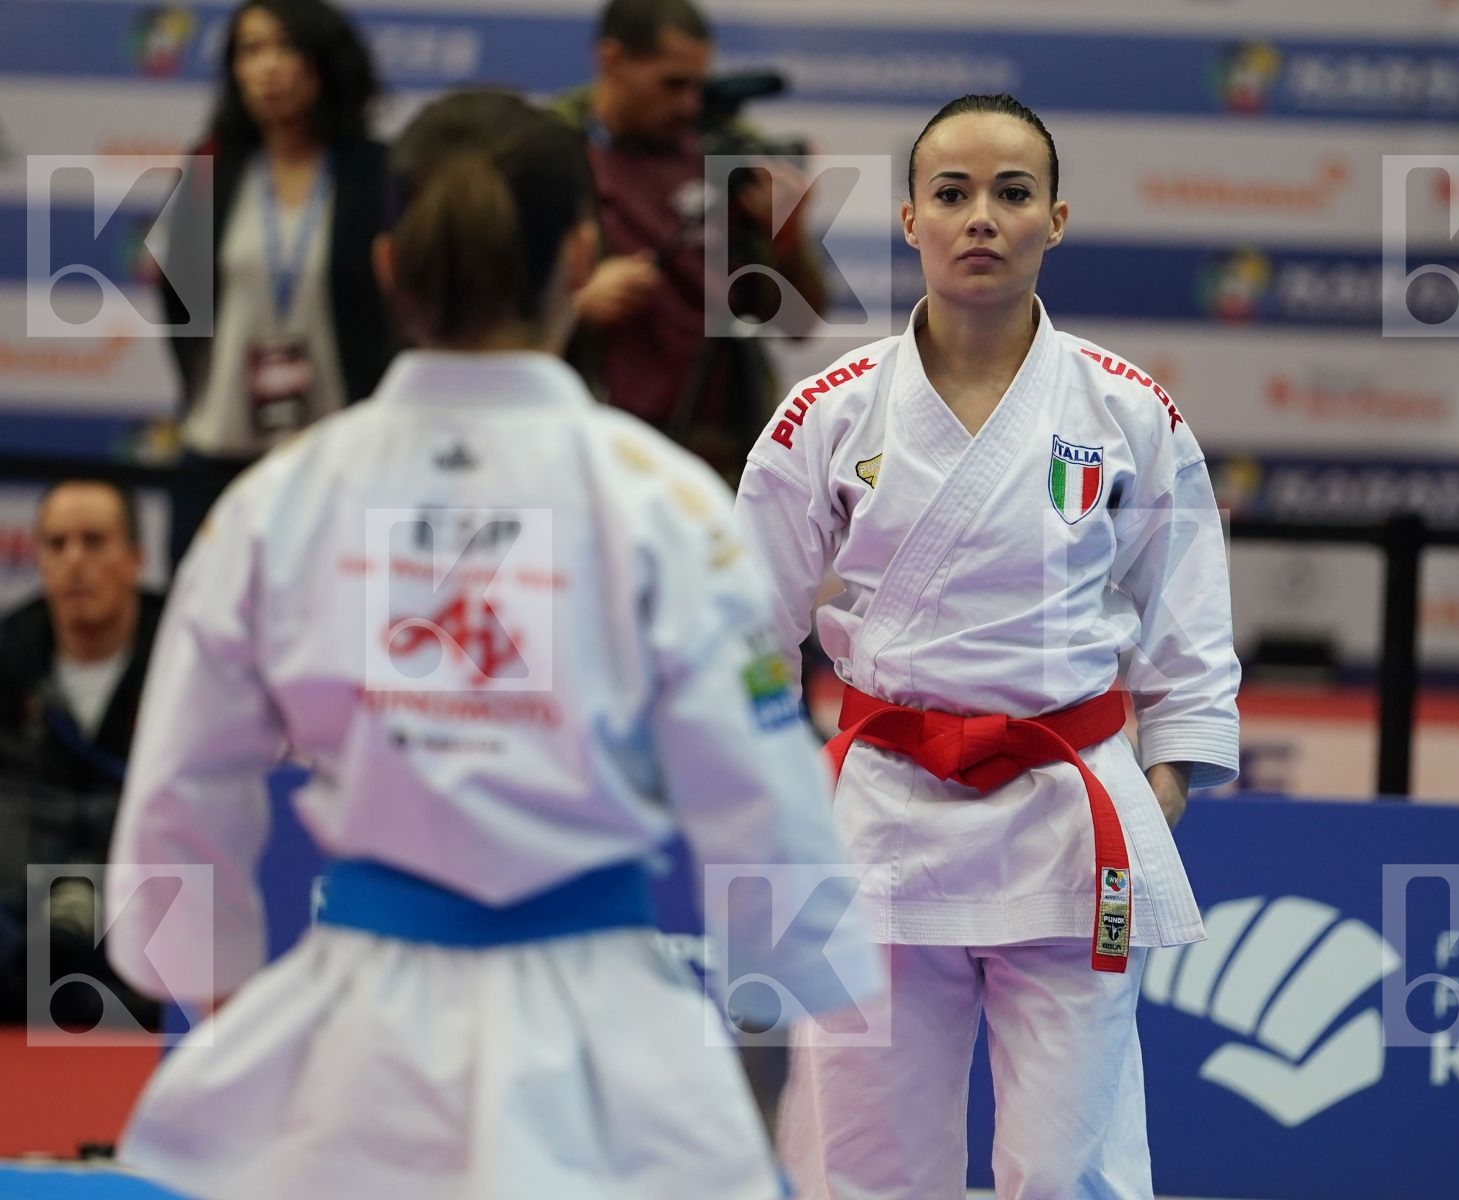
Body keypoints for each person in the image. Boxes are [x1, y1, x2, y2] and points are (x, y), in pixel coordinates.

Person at [106, 88, 880, 1200]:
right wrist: (780, 1021)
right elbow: (762, 805)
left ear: (386, 267)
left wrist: (220, 996)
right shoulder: (663, 502)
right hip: (608, 1038)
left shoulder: (280, 501)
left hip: (354, 1043)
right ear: (579, 258)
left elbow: (179, 790)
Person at [735, 94, 1242, 1199]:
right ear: (908, 218)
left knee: (1067, 1167)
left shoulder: (1126, 410)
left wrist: (1164, 777)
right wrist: (771, 785)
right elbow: (745, 628)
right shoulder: (827, 409)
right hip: (880, 814)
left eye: (1011, 193)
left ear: (1053, 220)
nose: (980, 217)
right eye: (951, 193)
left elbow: (1186, 618)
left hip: (1063, 814)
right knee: (859, 1160)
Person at [550, 0, 828, 479]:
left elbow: (800, 323)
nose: (690, 105)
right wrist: (577, 303)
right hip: (592, 448)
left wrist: (786, 237)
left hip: (722, 451)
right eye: (672, 84)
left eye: (698, 85)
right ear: (611, 61)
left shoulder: (729, 150)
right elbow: (491, 316)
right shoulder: (548, 152)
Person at [160, 0, 394, 563]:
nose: (267, 67)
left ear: (324, 61)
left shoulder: (377, 173)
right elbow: (178, 297)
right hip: (220, 448)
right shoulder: (209, 166)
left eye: (285, 47)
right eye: (251, 50)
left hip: (340, 457)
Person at [0, 481, 163, 1028]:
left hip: (144, 917)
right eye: (56, 544)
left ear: (135, 558)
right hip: (20, 919)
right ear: (38, 559)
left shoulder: (186, 660)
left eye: (94, 542)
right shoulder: (8, 656)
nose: (74, 561)